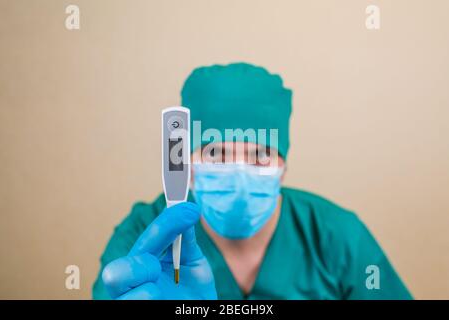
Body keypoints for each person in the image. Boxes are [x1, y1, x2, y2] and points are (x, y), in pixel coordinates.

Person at [92, 62, 412, 299]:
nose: (239, 173)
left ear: (283, 166)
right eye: (216, 153)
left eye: (260, 155)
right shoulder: (146, 237)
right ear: (188, 164)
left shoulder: (336, 237)